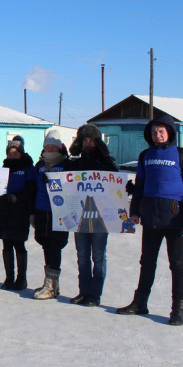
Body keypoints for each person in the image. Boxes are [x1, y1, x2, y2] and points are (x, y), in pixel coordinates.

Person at [117, 115, 183, 326]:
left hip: (176, 219)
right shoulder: (145, 155)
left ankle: (178, 310)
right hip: (150, 219)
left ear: (170, 132)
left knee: (177, 264)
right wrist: (135, 210)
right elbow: (139, 186)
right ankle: (140, 303)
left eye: (162, 131)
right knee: (146, 262)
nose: (158, 134)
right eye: (154, 131)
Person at [66, 124, 118, 307]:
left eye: (91, 140)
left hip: (101, 216)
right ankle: (83, 291)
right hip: (79, 215)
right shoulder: (75, 164)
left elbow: (117, 187)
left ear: (97, 142)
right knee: (81, 256)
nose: (87, 144)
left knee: (98, 256)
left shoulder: (106, 163)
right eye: (84, 140)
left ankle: (95, 294)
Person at [31, 129, 70, 299]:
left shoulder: (67, 164)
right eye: (47, 146)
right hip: (41, 210)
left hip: (59, 212)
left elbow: (72, 186)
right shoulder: (39, 165)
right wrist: (32, 211)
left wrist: (55, 181)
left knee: (55, 245)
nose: (50, 149)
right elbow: (33, 188)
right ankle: (51, 282)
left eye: (53, 147)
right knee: (45, 244)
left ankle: (51, 286)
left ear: (60, 147)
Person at [0, 136, 36, 290]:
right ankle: (9, 278)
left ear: (21, 153)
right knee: (6, 244)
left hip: (21, 211)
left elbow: (31, 191)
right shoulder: (4, 168)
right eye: (10, 154)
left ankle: (21, 279)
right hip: (6, 210)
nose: (12, 156)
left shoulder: (28, 168)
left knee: (19, 244)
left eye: (15, 154)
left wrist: (16, 197)